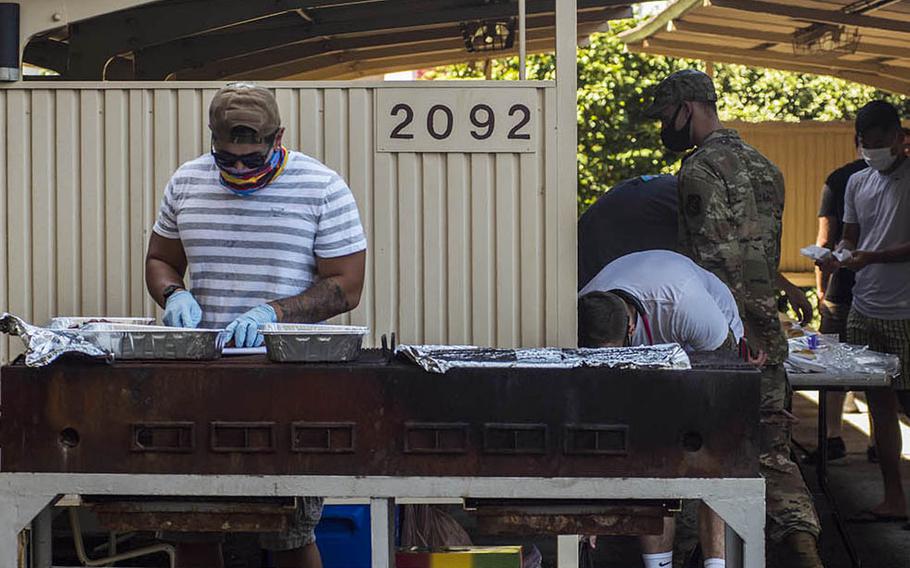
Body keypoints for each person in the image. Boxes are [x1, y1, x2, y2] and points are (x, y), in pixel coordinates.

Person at [145, 83, 367, 568]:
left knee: (287, 532)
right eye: (227, 159)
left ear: (278, 138)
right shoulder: (187, 183)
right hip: (200, 385)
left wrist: (274, 313)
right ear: (212, 142)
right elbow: (161, 260)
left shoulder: (322, 187)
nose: (240, 170)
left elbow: (347, 286)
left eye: (252, 158)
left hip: (287, 387)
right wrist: (173, 293)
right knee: (194, 530)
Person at [646, 69, 823, 568]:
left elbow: (717, 262)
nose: (664, 129)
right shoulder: (766, 167)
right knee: (769, 450)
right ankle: (804, 547)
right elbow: (762, 256)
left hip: (725, 338)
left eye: (666, 118)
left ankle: (687, 557)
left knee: (699, 449)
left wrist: (732, 338)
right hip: (768, 331)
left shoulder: (699, 172)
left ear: (687, 109)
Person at [578, 250, 750, 568]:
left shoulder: (686, 305)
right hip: (655, 356)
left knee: (715, 455)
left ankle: (716, 563)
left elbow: (727, 371)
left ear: (630, 329)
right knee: (652, 453)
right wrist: (588, 504)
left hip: (707, 350)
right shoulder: (586, 306)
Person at [818, 100, 910, 523]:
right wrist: (835, 256)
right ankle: (894, 496)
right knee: (880, 406)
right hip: (864, 307)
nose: (872, 152)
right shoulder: (856, 183)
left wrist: (870, 256)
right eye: (865, 145)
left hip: (906, 310)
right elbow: (850, 238)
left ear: (899, 137)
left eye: (879, 144)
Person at [578, 175, 814, 324]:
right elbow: (731, 254)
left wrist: (788, 288)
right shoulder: (691, 200)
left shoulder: (681, 189)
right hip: (596, 267)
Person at [811, 139, 868, 463]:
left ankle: (832, 435)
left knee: (830, 367)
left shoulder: (839, 179)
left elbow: (824, 241)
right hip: (887, 292)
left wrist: (821, 290)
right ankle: (878, 442)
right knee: (881, 377)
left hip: (842, 287)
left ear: (856, 142)